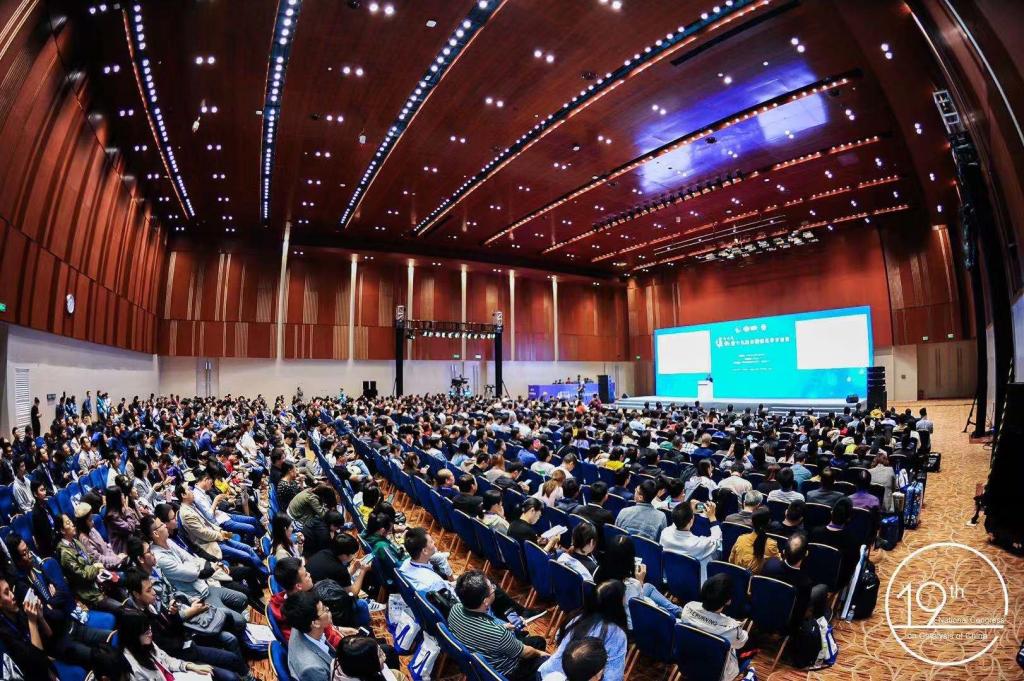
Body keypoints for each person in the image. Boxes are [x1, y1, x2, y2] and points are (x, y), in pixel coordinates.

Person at [123, 569, 251, 681]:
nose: (154, 592)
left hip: (187, 641)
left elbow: (176, 628)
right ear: (136, 594)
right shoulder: (137, 621)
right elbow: (164, 649)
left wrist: (174, 615)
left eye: (152, 587)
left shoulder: (152, 604)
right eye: (148, 590)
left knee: (230, 643)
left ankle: (247, 671)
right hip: (182, 652)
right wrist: (189, 659)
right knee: (230, 674)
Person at [446, 570, 548, 681]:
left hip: (477, 664)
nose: (494, 588)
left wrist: (504, 626)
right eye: (492, 588)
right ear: (485, 601)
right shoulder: (499, 635)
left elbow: (479, 631)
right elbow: (525, 652)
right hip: (507, 672)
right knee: (542, 651)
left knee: (537, 641)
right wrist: (542, 654)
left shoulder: (455, 609)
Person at [538, 580, 627, 681]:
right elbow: (614, 676)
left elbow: (558, 639)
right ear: (617, 603)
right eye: (624, 596)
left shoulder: (577, 617)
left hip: (548, 672)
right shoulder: (617, 634)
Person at [679, 574, 749, 681]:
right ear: (728, 601)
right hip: (717, 675)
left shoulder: (688, 607)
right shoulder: (732, 628)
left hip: (687, 663)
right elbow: (741, 643)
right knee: (750, 646)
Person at [117, 608, 216, 680]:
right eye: (146, 632)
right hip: (172, 675)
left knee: (210, 672)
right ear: (133, 636)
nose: (150, 633)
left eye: (149, 628)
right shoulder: (132, 668)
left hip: (174, 675)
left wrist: (190, 666)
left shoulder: (146, 644)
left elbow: (166, 659)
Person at [762, 534, 814, 630]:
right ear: (806, 554)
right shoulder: (805, 583)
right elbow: (799, 614)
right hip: (785, 624)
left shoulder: (770, 564)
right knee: (822, 589)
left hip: (762, 612)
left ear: (783, 551)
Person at [660, 501, 722, 582]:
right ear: (691, 520)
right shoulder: (698, 544)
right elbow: (717, 539)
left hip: (671, 577)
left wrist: (693, 510)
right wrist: (712, 517)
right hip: (695, 582)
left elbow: (678, 520)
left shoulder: (665, 533)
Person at [284, 591, 335, 681]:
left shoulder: (299, 623)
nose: (327, 608)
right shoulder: (313, 668)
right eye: (324, 609)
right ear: (315, 623)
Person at [808, 498, 861, 584]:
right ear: (849, 518)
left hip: (812, 576)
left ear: (831, 512)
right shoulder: (852, 540)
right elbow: (851, 567)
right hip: (836, 582)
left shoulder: (814, 533)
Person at [728, 506, 780, 574]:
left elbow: (731, 561)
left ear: (752, 522)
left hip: (736, 576)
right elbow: (778, 564)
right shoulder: (771, 545)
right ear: (769, 522)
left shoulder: (740, 539)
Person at [331, 635, 402, 681]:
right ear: (367, 666)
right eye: (380, 655)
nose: (384, 656)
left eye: (380, 650)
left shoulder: (341, 662)